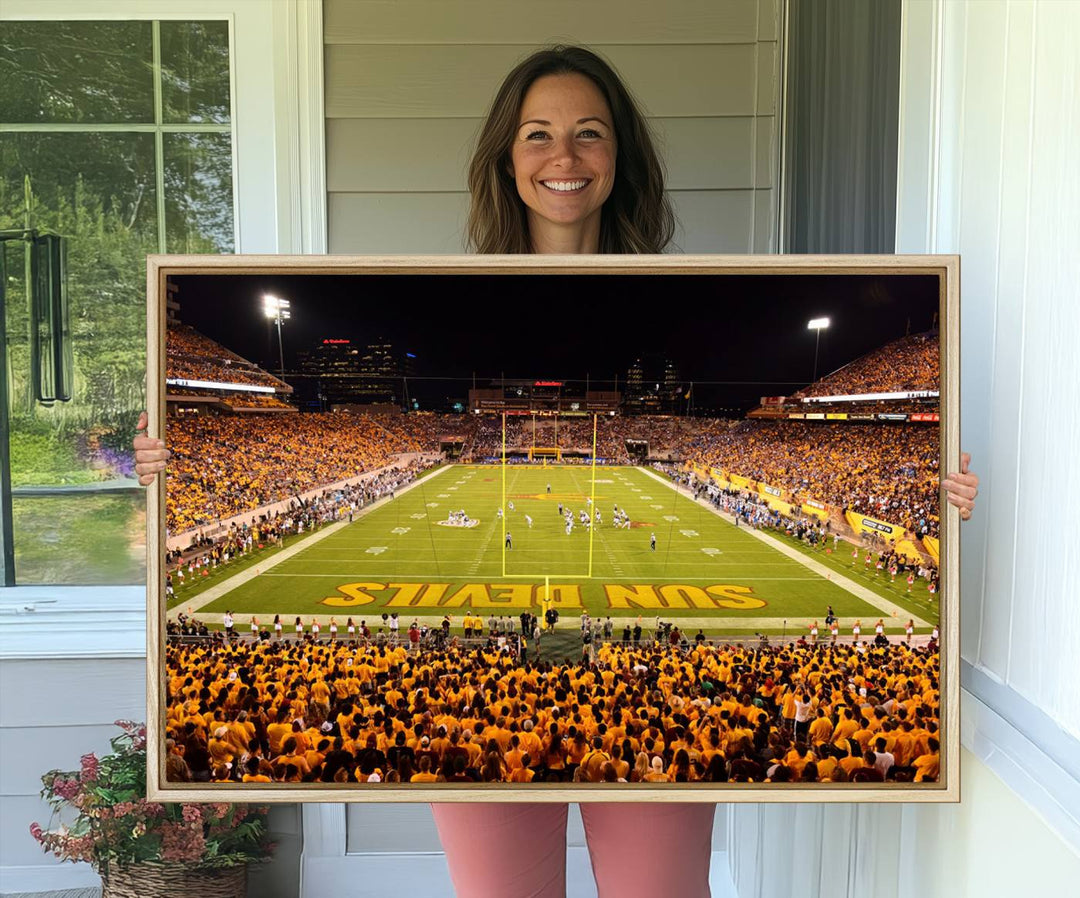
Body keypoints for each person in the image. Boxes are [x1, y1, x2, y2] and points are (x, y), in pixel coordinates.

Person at [134, 43, 981, 898]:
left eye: (590, 133)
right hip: (483, 713)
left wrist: (942, 494)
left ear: (621, 158)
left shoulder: (677, 285)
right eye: (537, 134)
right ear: (506, 157)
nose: (563, 156)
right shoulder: (452, 279)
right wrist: (162, 466)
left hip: (648, 712)